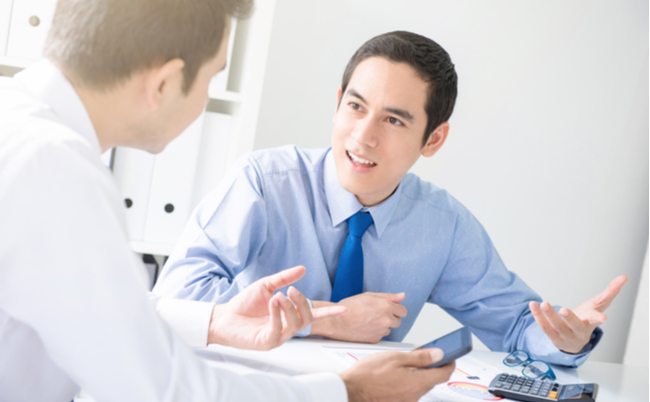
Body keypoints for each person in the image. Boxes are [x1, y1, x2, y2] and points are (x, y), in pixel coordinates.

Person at [0, 1, 456, 401]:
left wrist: (217, 319)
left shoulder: (20, 125)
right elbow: (166, 390)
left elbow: (98, 313)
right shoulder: (56, 172)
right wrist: (349, 392)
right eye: (212, 77)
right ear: (165, 83)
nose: (204, 99)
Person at [153, 30, 628, 369]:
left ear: (433, 139)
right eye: (355, 106)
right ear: (338, 102)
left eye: (394, 120)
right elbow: (175, 297)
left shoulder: (443, 225)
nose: (363, 136)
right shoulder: (264, 181)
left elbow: (517, 327)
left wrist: (565, 341)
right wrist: (324, 320)